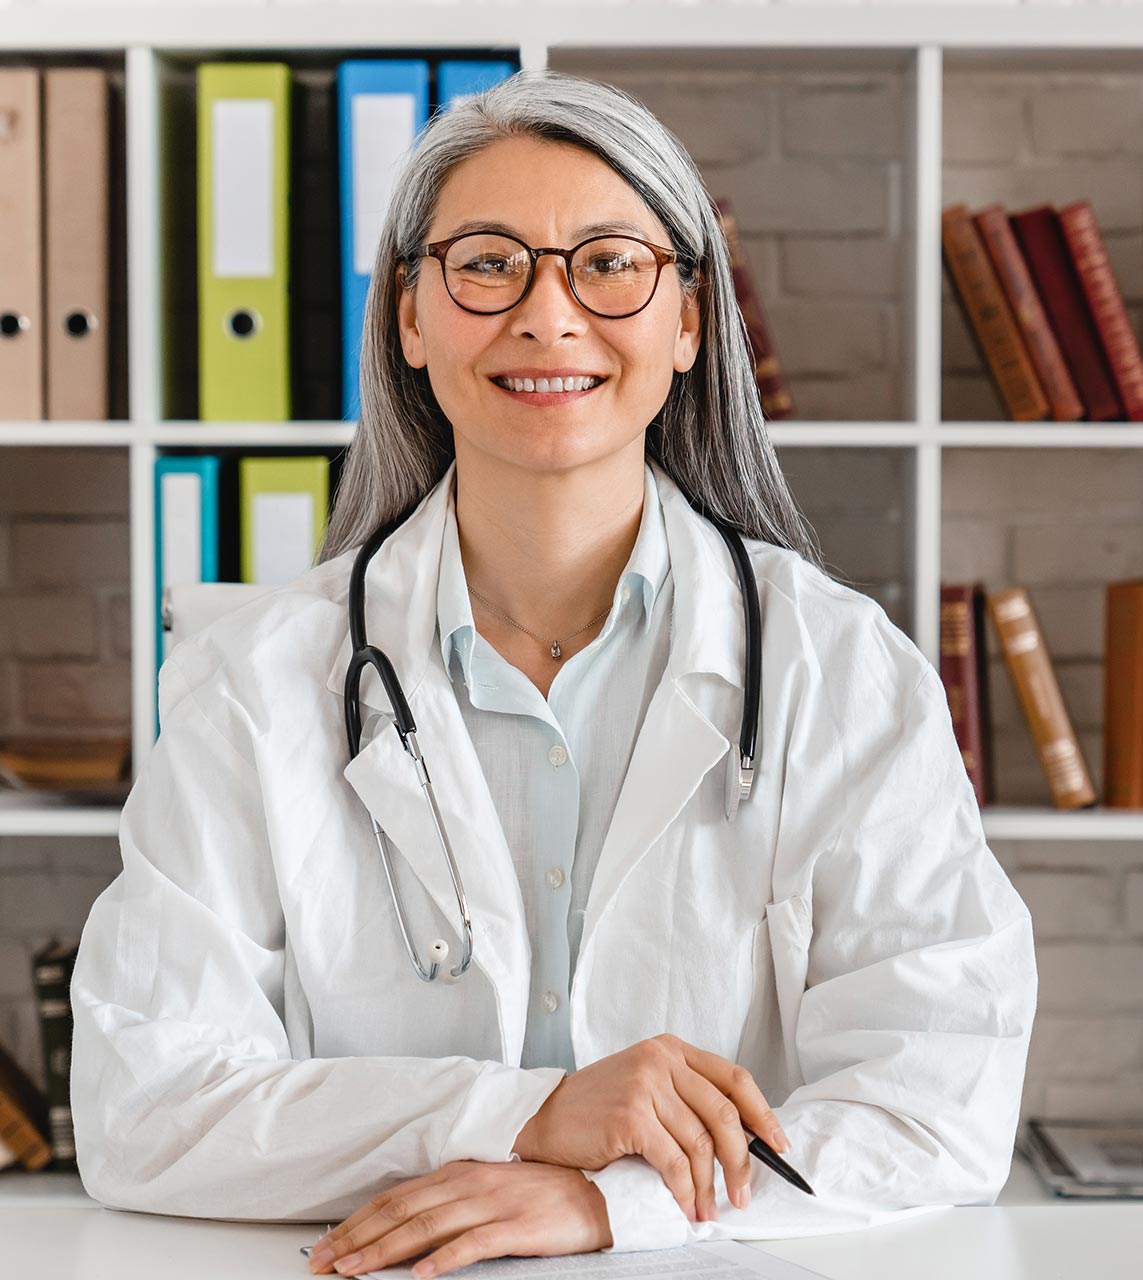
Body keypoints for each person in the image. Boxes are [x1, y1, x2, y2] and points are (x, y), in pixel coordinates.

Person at [69, 68, 1038, 1280]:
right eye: (487, 262)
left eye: (611, 263)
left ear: (688, 319)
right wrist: (523, 1117)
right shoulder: (252, 686)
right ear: (409, 317)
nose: (549, 314)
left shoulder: (844, 673)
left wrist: (611, 1202)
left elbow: (940, 1099)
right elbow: (142, 1105)